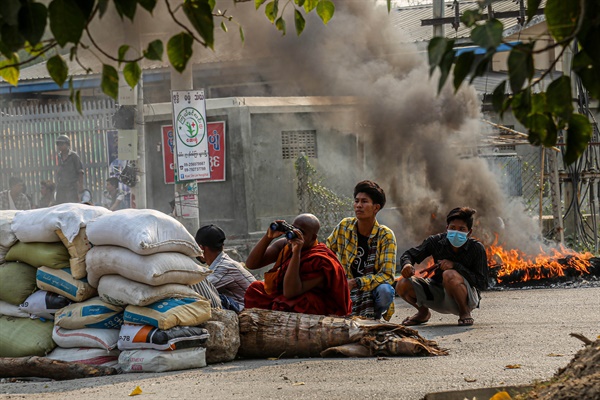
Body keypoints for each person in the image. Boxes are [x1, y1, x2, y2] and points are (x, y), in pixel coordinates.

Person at [395, 207, 488, 327]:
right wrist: (407, 264)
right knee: (402, 283)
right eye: (453, 228)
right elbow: (410, 254)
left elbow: (483, 283)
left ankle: (464, 312)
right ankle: (423, 313)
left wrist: (455, 266)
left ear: (469, 232)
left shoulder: (476, 248)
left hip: (466, 296)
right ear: (447, 228)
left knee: (449, 274)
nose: (456, 232)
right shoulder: (436, 242)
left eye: (461, 229)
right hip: (437, 293)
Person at [244, 213, 351, 316]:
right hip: (286, 297)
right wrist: (268, 237)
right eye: (293, 229)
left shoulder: (320, 261)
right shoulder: (285, 245)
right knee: (256, 289)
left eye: (302, 233)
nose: (295, 235)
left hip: (310, 305)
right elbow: (251, 264)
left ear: (313, 238)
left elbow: (290, 292)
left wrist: (296, 253)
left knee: (297, 303)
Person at [326, 180, 397, 320]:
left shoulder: (386, 236)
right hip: (344, 286)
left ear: (376, 208)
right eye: (356, 201)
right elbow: (327, 252)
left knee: (385, 291)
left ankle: (373, 314)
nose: (358, 205)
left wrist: (357, 282)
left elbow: (387, 276)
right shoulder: (344, 226)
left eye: (364, 201)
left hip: (369, 289)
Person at [194, 224, 256, 312]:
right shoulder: (222, 263)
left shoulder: (224, 267)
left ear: (201, 248)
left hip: (250, 311)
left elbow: (200, 290)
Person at [54, 134, 84, 204]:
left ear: (67, 144)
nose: (59, 146)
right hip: (61, 187)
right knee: (60, 205)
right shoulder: (58, 157)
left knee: (72, 205)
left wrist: (80, 186)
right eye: (58, 144)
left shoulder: (74, 156)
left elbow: (80, 172)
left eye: (61, 144)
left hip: (72, 187)